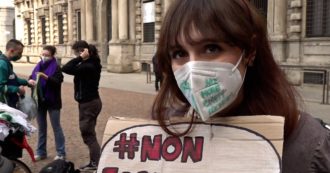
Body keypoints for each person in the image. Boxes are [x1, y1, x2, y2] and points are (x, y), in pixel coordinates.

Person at [151, 0, 330, 172]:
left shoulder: (309, 146)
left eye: (211, 48)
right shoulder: (165, 130)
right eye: (179, 53)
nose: (193, 70)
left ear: (250, 51)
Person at [62, 40, 102, 171]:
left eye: (76, 52)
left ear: (82, 51)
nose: (75, 55)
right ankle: (95, 161)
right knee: (90, 133)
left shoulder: (87, 65)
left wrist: (80, 58)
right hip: (90, 102)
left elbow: (66, 68)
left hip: (88, 103)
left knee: (88, 134)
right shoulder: (91, 63)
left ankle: (97, 162)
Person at [27, 45, 66, 161]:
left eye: (47, 55)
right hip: (40, 101)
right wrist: (30, 81)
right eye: (43, 54)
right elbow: (31, 77)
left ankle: (61, 153)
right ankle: (41, 152)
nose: (44, 57)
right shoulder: (38, 66)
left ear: (52, 56)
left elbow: (58, 81)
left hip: (53, 101)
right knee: (42, 128)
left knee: (56, 127)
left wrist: (46, 77)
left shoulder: (56, 67)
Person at [0, 39, 28, 108]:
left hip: (9, 102)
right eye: (19, 53)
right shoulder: (2, 64)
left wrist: (27, 82)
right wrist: (18, 89)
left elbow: (13, 78)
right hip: (5, 104)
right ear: (11, 51)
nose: (20, 55)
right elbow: (1, 87)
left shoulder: (6, 62)